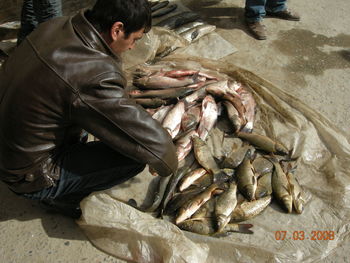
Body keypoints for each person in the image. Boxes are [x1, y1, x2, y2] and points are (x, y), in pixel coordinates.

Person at [0, 0, 178, 219]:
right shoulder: (94, 74)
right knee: (135, 156)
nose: (132, 47)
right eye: (135, 39)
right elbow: (153, 144)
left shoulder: (55, 25)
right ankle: (59, 197)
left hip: (10, 143)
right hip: (27, 174)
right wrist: (168, 161)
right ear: (117, 30)